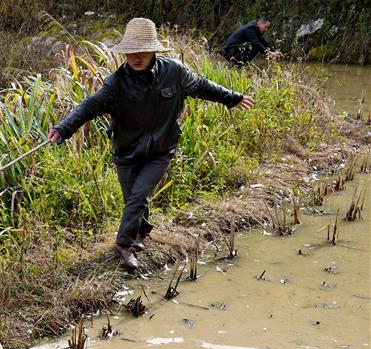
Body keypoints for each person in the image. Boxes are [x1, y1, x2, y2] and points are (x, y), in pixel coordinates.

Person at [47, 17, 254, 270]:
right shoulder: (116, 83)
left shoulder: (174, 72)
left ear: (153, 50)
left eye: (142, 51)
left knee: (137, 195)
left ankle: (124, 244)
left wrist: (231, 98)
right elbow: (89, 106)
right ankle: (142, 231)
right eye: (131, 52)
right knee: (133, 198)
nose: (136, 57)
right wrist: (63, 128)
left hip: (161, 148)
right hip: (126, 150)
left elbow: (201, 85)